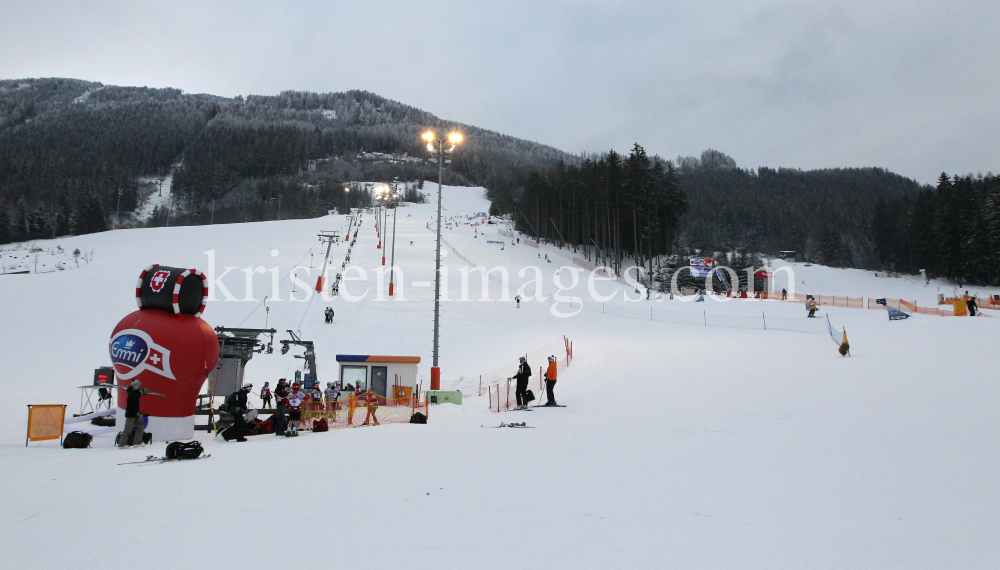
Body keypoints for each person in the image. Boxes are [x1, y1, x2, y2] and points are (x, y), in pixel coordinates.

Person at [118, 380, 147, 447]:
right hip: (131, 414)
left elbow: (137, 395)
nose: (140, 386)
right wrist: (136, 412)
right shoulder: (132, 393)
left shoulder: (135, 392)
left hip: (135, 413)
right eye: (139, 385)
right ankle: (122, 444)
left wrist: (142, 393)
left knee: (140, 426)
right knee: (128, 429)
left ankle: (137, 443)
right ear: (136, 386)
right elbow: (133, 404)